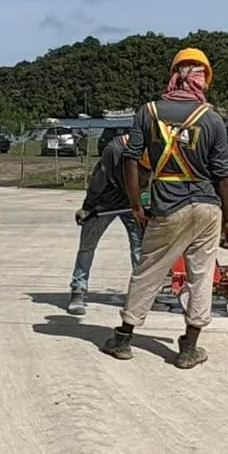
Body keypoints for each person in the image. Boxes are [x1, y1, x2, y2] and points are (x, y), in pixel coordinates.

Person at [103, 47, 228, 369]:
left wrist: (136, 205)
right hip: (207, 209)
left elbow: (130, 159)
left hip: (168, 207)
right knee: (201, 276)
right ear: (202, 79)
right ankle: (189, 348)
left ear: (174, 75)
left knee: (149, 270)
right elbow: (223, 175)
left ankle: (123, 339)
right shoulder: (212, 119)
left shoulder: (147, 112)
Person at [66, 130, 144, 316]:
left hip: (134, 203)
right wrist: (88, 207)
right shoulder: (114, 149)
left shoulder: (153, 149)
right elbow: (99, 179)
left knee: (140, 247)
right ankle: (78, 289)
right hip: (105, 202)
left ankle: (141, 293)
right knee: (87, 246)